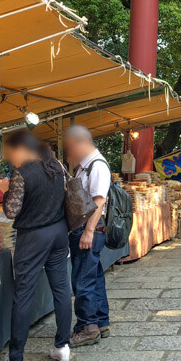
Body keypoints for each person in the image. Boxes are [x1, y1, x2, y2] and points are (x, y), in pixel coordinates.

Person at [0, 130, 71, 361]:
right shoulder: (56, 166)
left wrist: (4, 191)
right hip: (59, 232)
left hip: (33, 237)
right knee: (61, 289)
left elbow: (11, 210)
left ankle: (16, 358)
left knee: (24, 293)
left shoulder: (22, 173)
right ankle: (62, 347)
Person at [63, 125, 111, 347]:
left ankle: (88, 327)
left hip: (89, 229)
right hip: (86, 229)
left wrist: (88, 232)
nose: (69, 152)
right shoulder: (85, 167)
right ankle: (101, 321)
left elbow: (99, 201)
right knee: (94, 277)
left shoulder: (97, 166)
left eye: (71, 147)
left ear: (82, 142)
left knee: (82, 280)